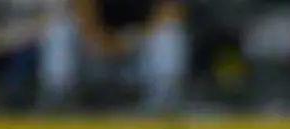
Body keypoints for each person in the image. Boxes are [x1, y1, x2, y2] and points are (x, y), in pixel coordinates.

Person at [40, 0, 188, 112]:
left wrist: (132, 40)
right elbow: (82, 14)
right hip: (96, 54)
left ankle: (163, 104)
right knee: (59, 30)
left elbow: (171, 12)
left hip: (139, 58)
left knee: (169, 34)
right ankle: (58, 99)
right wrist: (109, 44)